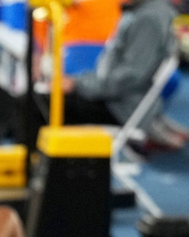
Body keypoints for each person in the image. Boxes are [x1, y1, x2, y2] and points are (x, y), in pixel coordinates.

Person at [25, 0, 176, 150]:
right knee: (36, 100)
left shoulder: (148, 19)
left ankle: (36, 167)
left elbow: (128, 79)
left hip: (118, 107)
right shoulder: (146, 10)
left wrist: (77, 84)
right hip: (116, 98)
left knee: (37, 104)